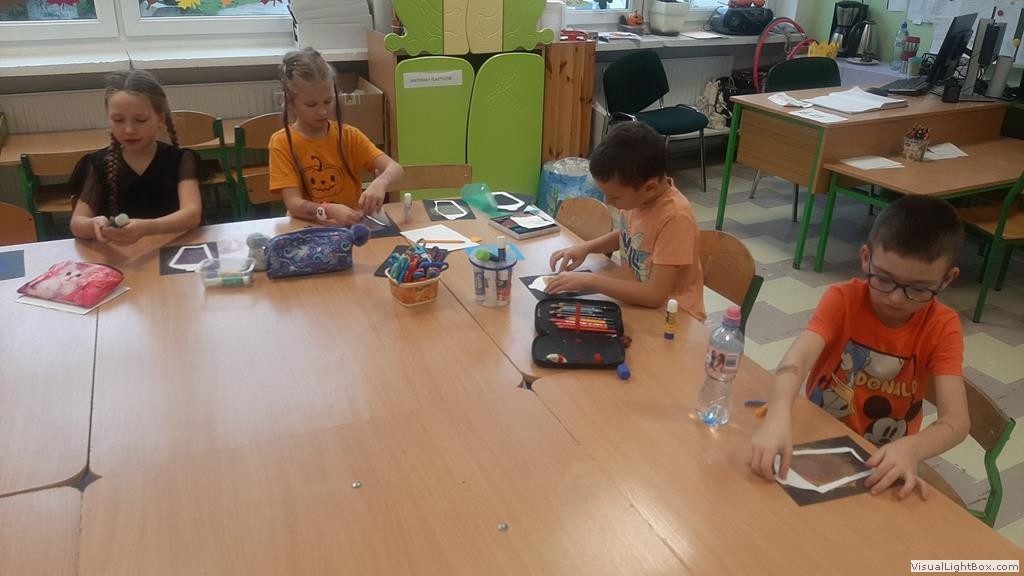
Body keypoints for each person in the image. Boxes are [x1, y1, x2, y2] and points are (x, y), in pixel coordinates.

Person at [749, 195, 970, 500]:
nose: (895, 298)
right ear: (866, 258)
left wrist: (913, 448)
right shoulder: (843, 300)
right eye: (884, 279)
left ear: (947, 279)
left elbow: (957, 421)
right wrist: (778, 414)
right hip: (819, 432)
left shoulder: (942, 326)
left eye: (919, 288)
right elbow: (799, 356)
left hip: (886, 457)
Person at [546, 122, 705, 319]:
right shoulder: (638, 199)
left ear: (650, 188)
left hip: (675, 317)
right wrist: (586, 247)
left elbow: (655, 295)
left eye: (615, 197)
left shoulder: (675, 218)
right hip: (639, 301)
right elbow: (627, 234)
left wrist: (590, 281)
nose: (607, 201)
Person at [269, 47, 402, 225]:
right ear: (291, 104)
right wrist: (329, 210)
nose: (322, 111)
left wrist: (381, 182)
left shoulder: (349, 136)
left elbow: (395, 168)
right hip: (306, 228)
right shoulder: (282, 142)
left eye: (328, 101)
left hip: (348, 228)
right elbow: (293, 204)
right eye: (311, 105)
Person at [70, 69, 203, 244]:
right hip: (122, 252)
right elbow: (76, 224)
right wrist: (94, 224)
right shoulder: (98, 163)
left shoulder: (181, 159)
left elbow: (192, 215)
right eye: (118, 120)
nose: (129, 130)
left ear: (160, 118)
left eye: (140, 120)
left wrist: (147, 228)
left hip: (173, 247)